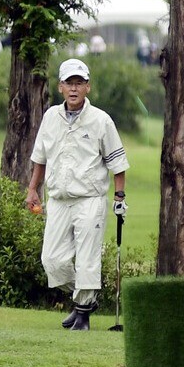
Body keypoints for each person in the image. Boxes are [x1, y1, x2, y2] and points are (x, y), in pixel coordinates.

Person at [25, 58, 129, 331]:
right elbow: (40, 157)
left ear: (88, 88)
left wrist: (119, 198)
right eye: (69, 83)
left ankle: (82, 312)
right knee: (52, 261)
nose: (74, 89)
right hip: (58, 198)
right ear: (60, 87)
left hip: (89, 199)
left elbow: (117, 162)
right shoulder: (50, 117)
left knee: (86, 259)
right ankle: (87, 297)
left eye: (79, 83)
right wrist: (33, 188)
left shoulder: (101, 120)